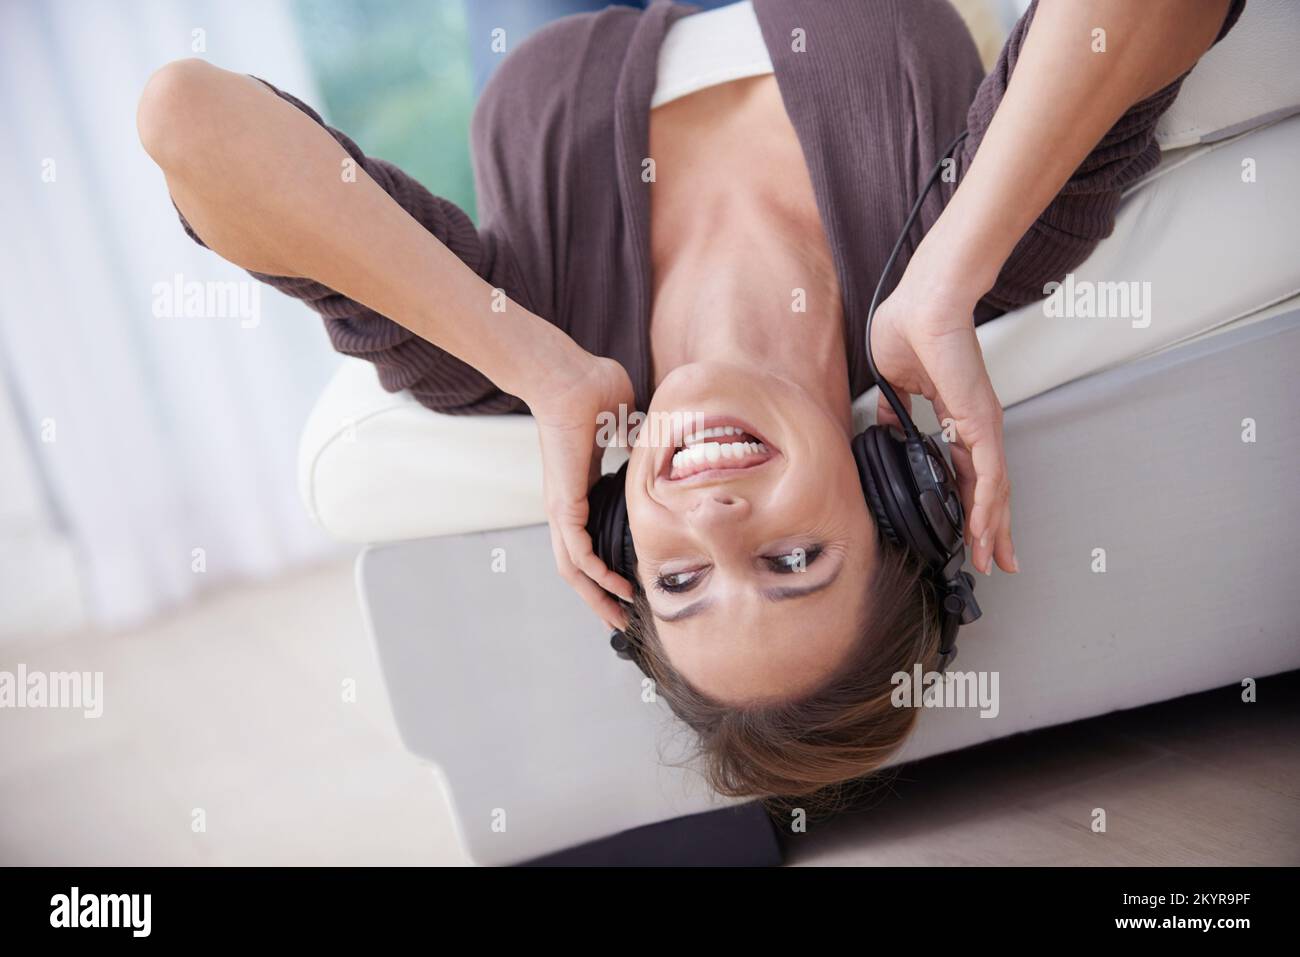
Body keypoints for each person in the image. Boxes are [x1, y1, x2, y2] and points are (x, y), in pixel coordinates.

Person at [137, 0, 1243, 805]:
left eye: (677, 580)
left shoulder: (530, 365)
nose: (717, 528)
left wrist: (538, 365)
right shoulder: (960, 276)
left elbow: (185, 118)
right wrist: (948, 279)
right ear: (890, 497)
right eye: (791, 562)